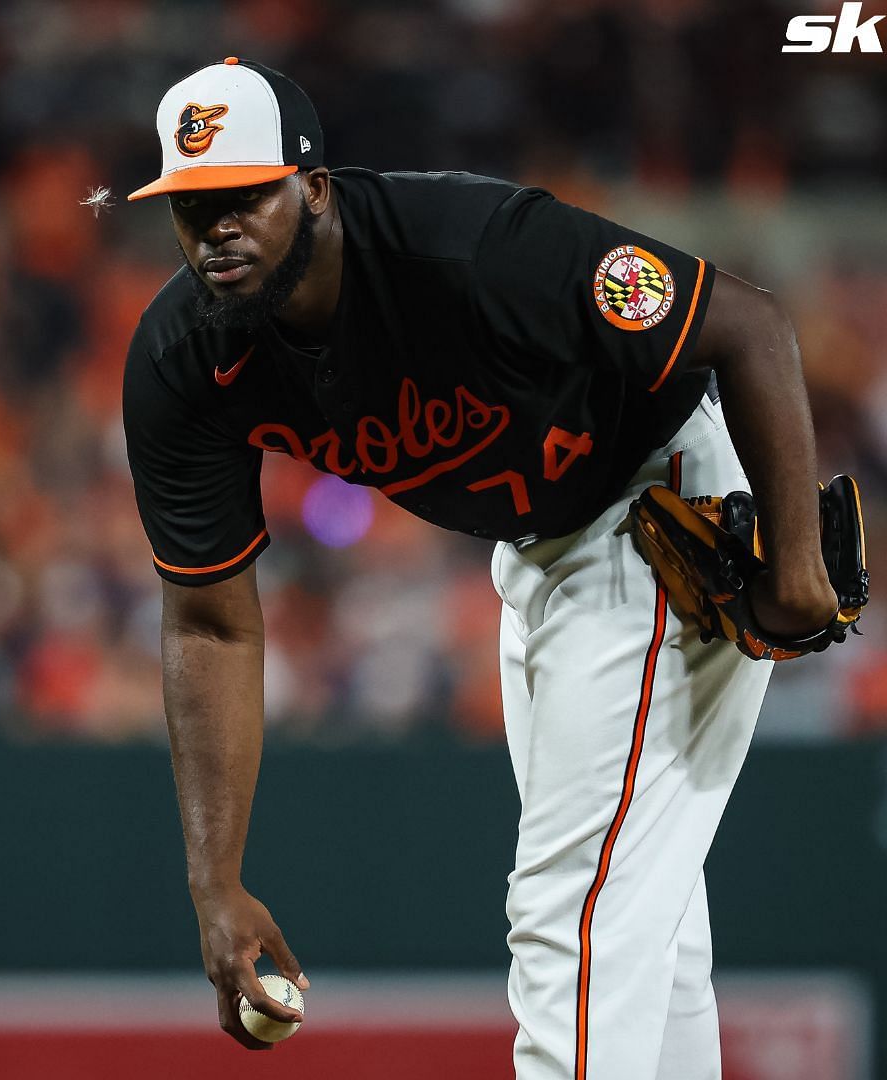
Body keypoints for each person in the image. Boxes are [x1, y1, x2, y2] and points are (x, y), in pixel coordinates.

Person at [121, 57, 840, 1079]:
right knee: (640, 922)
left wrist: (796, 560)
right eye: (191, 206)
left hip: (659, 501)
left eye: (243, 194)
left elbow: (749, 325)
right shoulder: (183, 359)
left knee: (573, 912)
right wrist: (214, 883)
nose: (216, 229)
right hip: (538, 552)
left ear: (313, 187)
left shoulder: (472, 246)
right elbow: (209, 622)